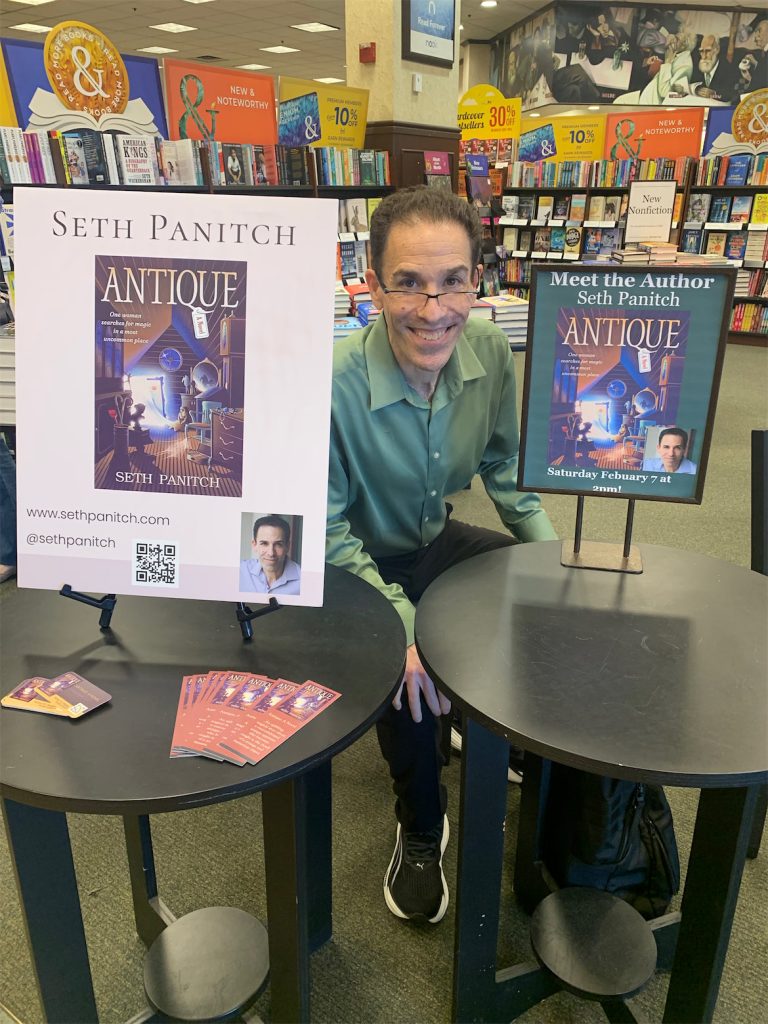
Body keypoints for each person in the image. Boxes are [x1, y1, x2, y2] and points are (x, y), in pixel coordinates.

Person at [326, 187, 556, 925]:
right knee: (411, 678)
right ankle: (422, 824)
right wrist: (406, 629)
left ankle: (504, 736)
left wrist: (560, 567)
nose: (434, 309)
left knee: (535, 599)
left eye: (453, 280)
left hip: (434, 537)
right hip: (353, 564)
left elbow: (508, 476)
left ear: (478, 279)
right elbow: (326, 532)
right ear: (371, 283)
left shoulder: (489, 349)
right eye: (409, 283)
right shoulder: (332, 385)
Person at [240, 514, 301, 594]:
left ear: (287, 546)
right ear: (254, 545)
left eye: (278, 544)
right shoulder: (239, 571)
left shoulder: (305, 580)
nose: (271, 553)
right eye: (264, 543)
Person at [692, 35, 738, 102]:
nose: (704, 56)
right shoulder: (697, 65)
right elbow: (690, 84)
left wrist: (714, 94)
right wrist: (696, 90)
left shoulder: (728, 68)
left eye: (708, 51)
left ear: (717, 50)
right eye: (701, 51)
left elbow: (729, 95)